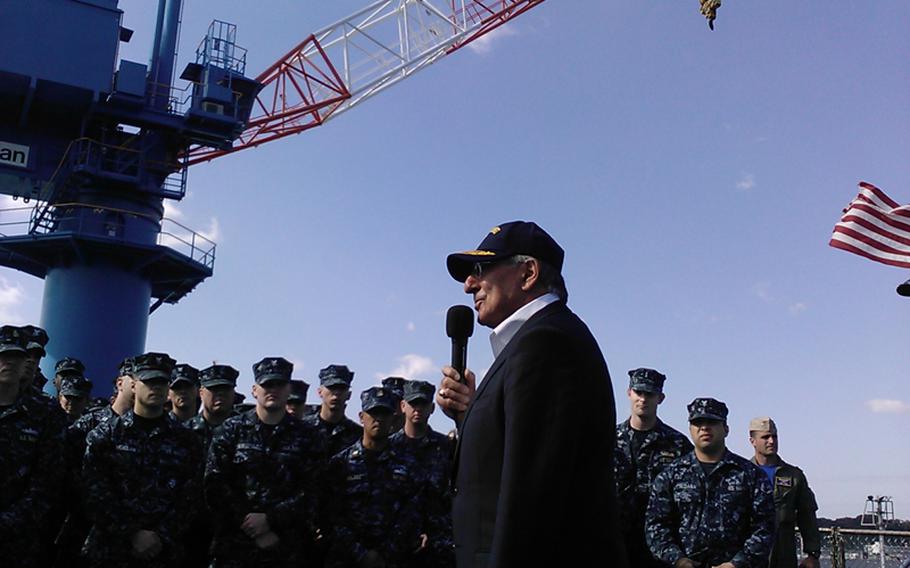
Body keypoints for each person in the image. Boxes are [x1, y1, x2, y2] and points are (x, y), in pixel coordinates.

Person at [436, 221, 627, 568]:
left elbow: (532, 502)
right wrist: (470, 415)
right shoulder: (536, 343)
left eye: (480, 269)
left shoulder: (547, 343)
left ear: (527, 273)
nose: (468, 285)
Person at [81, 352, 204, 567]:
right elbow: (94, 490)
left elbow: (190, 496)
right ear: (134, 385)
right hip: (109, 549)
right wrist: (131, 532)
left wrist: (160, 534)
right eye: (148, 381)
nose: (155, 387)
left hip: (163, 551)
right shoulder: (106, 435)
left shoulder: (187, 441)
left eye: (161, 382)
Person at [205, 357, 323, 567]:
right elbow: (215, 484)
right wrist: (249, 523)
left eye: (279, 384)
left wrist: (271, 520)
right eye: (267, 384)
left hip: (285, 546)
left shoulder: (308, 437)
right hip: (234, 546)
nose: (273, 390)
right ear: (254, 390)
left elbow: (314, 489)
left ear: (289, 390)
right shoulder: (231, 430)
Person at [646, 398, 775, 568]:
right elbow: (656, 525)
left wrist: (737, 564)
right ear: (690, 429)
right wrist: (678, 560)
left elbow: (765, 526)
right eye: (698, 422)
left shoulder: (750, 475)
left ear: (726, 429)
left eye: (712, 422)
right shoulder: (671, 475)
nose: (704, 427)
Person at [325, 386, 427, 568]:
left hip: (392, 559)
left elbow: (412, 512)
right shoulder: (340, 464)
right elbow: (331, 514)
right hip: (347, 558)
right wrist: (361, 554)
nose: (379, 419)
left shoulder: (408, 464)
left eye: (385, 413)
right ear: (361, 417)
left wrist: (385, 553)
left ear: (393, 418)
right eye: (373, 413)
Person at [0, 324, 67, 568]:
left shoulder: (46, 413)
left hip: (18, 541)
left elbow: (48, 481)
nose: (10, 363)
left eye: (17, 357)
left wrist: (9, 521)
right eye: (3, 355)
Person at [615, 368, 693, 568]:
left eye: (649, 394)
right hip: (614, 541)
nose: (643, 399)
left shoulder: (677, 444)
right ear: (629, 393)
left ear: (660, 398)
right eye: (638, 392)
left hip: (659, 546)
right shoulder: (609, 439)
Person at [391, 379, 456, 567]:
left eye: (423, 403)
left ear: (432, 408)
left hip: (439, 543)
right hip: (398, 542)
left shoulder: (446, 447)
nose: (417, 409)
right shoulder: (389, 448)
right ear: (403, 406)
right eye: (413, 403)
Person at [749, 417, 821, 568]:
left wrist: (812, 554)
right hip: (749, 556)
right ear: (752, 441)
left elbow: (807, 516)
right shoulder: (742, 474)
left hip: (783, 555)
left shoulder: (793, 475)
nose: (771, 441)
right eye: (765, 437)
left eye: (774, 436)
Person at [303, 364, 363, 458]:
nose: (336, 393)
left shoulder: (358, 434)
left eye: (341, 388)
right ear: (320, 392)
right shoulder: (302, 428)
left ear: (349, 394)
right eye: (331, 387)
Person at [187, 364, 239, 452]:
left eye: (225, 388)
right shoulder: (185, 432)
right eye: (214, 389)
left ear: (234, 392)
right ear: (201, 393)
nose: (220, 394)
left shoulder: (247, 430)